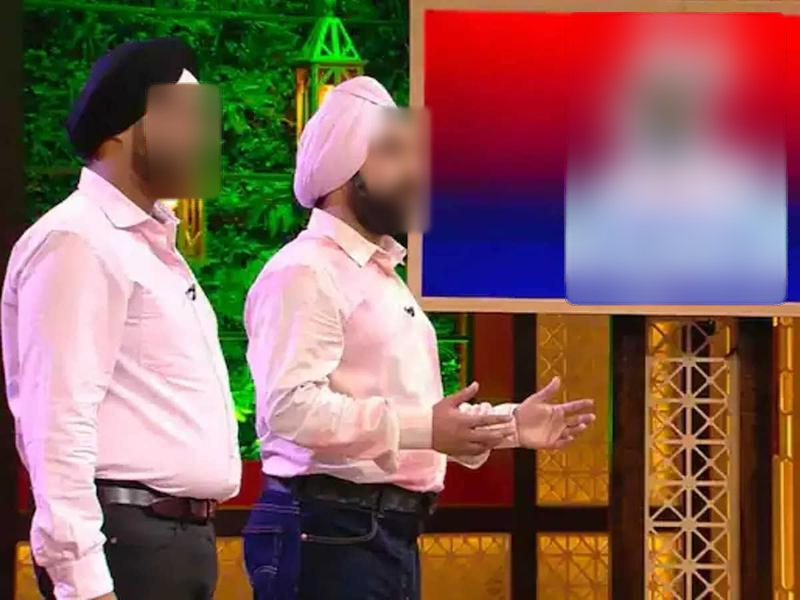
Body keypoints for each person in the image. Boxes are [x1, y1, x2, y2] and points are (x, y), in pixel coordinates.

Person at [243, 76, 596, 600]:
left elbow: (418, 413)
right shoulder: (305, 271)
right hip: (329, 529)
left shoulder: (381, 277)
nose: (415, 172)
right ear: (342, 170)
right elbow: (290, 410)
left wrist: (511, 425)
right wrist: (424, 428)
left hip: (375, 532)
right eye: (392, 153)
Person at [1, 38, 240, 600]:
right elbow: (57, 420)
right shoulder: (78, 240)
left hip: (173, 542)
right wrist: (83, 581)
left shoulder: (151, 247)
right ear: (123, 129)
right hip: (126, 543)